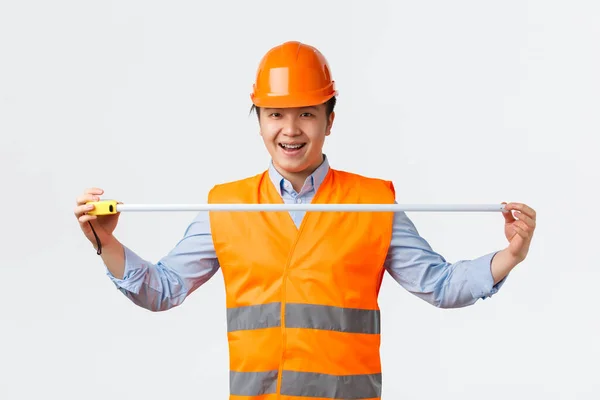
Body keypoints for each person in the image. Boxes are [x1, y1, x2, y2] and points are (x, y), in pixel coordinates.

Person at [74, 41, 536, 399]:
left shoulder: (373, 204)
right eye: (276, 114)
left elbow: (440, 285)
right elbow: (163, 289)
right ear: (258, 121)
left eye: (307, 114)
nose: (290, 130)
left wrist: (509, 255)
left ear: (329, 120)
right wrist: (106, 243)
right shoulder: (226, 206)